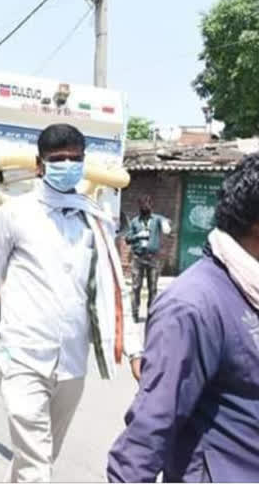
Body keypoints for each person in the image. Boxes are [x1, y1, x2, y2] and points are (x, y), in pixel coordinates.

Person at [0, 124, 143, 483]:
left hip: (72, 363)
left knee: (38, 456)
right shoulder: (15, 215)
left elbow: (114, 288)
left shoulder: (96, 220)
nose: (68, 165)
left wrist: (134, 349)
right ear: (40, 166)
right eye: (58, 159)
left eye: (75, 159)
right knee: (38, 468)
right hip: (23, 357)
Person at [107, 153, 259, 483]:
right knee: (138, 293)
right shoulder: (192, 306)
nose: (147, 205)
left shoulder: (251, 289)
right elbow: (150, 427)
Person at [125, 195, 172, 323]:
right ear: (139, 206)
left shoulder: (157, 219)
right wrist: (137, 236)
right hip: (138, 258)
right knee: (136, 287)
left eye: (147, 205)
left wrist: (166, 224)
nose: (145, 207)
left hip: (153, 259)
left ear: (151, 206)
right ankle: (135, 314)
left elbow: (167, 224)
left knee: (153, 288)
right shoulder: (135, 222)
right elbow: (127, 239)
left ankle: (151, 314)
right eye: (142, 205)